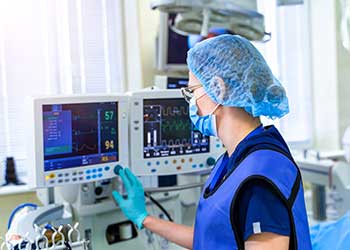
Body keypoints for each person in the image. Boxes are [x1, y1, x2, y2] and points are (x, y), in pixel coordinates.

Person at [112, 35, 312, 250]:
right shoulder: (234, 160)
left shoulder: (260, 175)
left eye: (192, 92)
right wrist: (144, 218)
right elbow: (214, 240)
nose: (192, 104)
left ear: (218, 88)